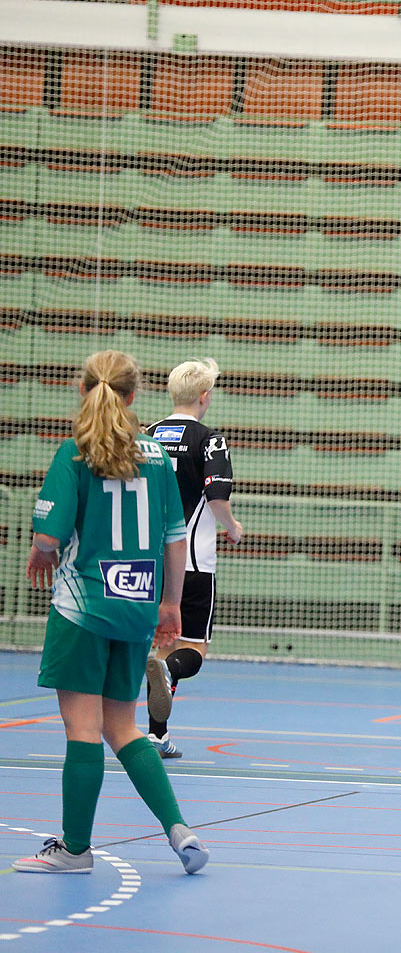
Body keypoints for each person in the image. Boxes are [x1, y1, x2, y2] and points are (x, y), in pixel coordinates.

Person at [12, 351, 208, 874]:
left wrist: (40, 551)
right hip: (138, 607)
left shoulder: (77, 452)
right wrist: (169, 603)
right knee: (123, 728)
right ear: (134, 395)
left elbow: (49, 536)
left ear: (83, 390)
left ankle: (76, 850)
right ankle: (180, 830)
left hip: (83, 608)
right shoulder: (157, 458)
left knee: (82, 728)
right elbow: (174, 537)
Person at [143, 358, 244, 759]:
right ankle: (171, 673)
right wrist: (233, 527)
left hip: (148, 564)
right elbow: (217, 498)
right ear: (205, 397)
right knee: (192, 650)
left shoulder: (147, 436)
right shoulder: (209, 439)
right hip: (193, 562)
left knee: (161, 644)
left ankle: (156, 736)